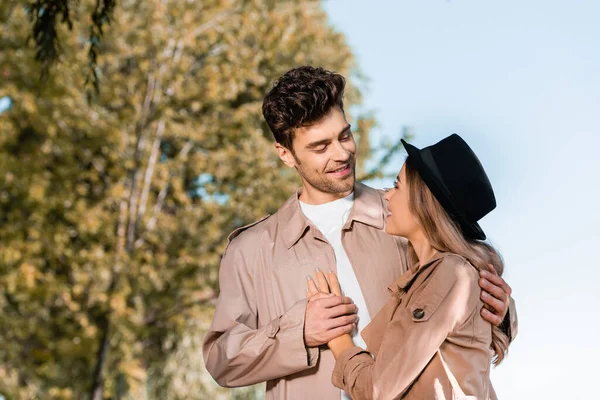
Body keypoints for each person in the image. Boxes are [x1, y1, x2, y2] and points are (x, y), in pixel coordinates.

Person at [202, 66, 517, 400]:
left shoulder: (406, 215)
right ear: (286, 154)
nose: (341, 154)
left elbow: (465, 302)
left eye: (344, 136)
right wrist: (299, 333)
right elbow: (221, 359)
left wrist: (502, 312)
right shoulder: (252, 250)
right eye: (320, 147)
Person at [307, 134, 507, 399]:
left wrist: (340, 341)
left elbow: (377, 390)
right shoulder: (430, 276)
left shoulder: (450, 274)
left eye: (396, 185)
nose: (387, 195)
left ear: (423, 201)